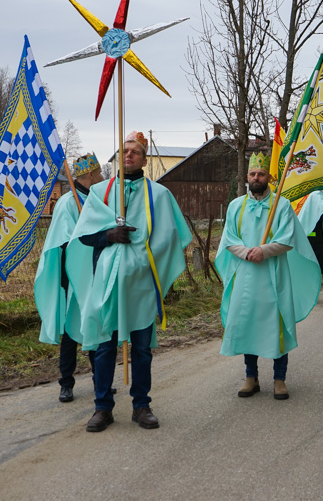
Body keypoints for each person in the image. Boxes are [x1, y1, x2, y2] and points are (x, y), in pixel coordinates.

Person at [66, 131, 192, 432]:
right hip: (108, 281)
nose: (128, 155)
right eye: (123, 150)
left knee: (141, 348)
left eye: (135, 151)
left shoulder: (159, 195)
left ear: (144, 158)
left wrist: (144, 256)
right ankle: (102, 408)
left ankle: (141, 406)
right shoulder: (101, 192)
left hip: (141, 283)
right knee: (105, 345)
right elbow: (84, 235)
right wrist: (108, 236)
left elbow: (172, 237)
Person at [216, 153, 320, 401]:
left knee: (277, 323)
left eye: (260, 174)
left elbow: (287, 239)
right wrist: (247, 253)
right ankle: (250, 377)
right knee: (246, 322)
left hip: (273, 274)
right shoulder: (235, 206)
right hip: (245, 273)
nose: (256, 178)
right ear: (247, 177)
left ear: (269, 178)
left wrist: (264, 251)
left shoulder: (282, 205)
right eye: (252, 174)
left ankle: (279, 378)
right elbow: (229, 239)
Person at [34, 153, 104, 403]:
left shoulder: (95, 200)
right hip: (72, 276)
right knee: (71, 331)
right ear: (88, 176)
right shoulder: (67, 202)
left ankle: (100, 379)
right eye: (98, 174)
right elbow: (65, 240)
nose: (102, 177)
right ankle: (66, 383)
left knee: (94, 324)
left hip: (95, 273)